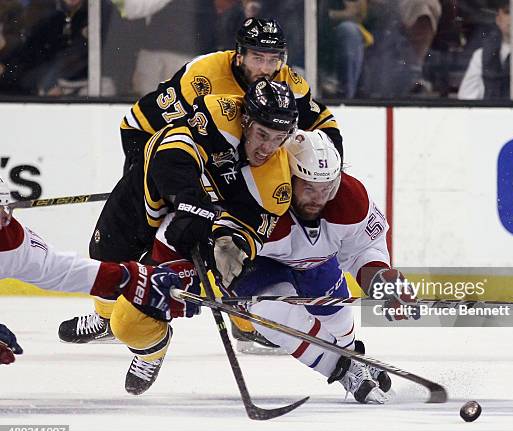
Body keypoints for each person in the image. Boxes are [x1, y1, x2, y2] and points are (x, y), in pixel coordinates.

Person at [59, 78, 299, 395]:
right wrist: (193, 202)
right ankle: (102, 320)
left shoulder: (276, 182)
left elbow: (250, 232)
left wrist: (230, 242)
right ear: (245, 119)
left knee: (130, 323)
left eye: (278, 138)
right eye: (262, 134)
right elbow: (169, 155)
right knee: (105, 255)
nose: (267, 147)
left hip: (190, 234)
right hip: (148, 194)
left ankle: (150, 349)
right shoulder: (218, 113)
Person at [228, 130, 413, 403]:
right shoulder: (256, 199)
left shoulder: (350, 199)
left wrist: (380, 279)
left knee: (336, 316)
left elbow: (365, 246)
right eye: (309, 187)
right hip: (261, 263)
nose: (318, 198)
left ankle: (352, 355)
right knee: (269, 311)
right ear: (288, 177)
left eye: (326, 188)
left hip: (316, 262)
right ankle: (345, 369)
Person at [0, 176, 186, 365]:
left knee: (106, 245)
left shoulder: (11, 243)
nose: (5, 219)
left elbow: (62, 270)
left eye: (5, 209)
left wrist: (130, 279)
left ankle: (111, 322)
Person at [121, 17, 342, 174]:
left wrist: (334, 167)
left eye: (272, 59)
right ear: (239, 55)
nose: (265, 68)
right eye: (257, 58)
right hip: (145, 135)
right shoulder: (204, 77)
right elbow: (174, 135)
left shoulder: (286, 80)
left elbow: (321, 120)